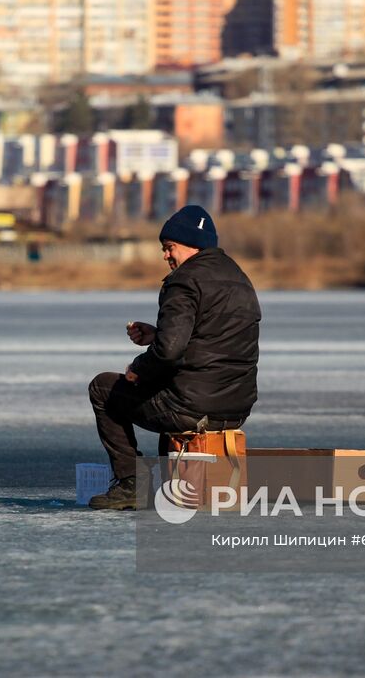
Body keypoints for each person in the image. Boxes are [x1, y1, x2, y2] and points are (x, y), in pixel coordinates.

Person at [87, 205, 261, 510]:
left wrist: (137, 369)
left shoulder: (184, 280)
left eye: (170, 248)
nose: (165, 256)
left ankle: (132, 484)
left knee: (103, 388)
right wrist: (158, 333)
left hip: (194, 407)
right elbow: (213, 339)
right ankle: (172, 487)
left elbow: (169, 353)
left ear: (192, 244)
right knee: (167, 388)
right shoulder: (239, 278)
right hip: (236, 407)